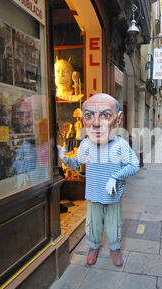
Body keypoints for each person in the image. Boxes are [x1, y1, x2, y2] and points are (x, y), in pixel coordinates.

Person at [57, 93, 140, 266]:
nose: (95, 123)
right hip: (94, 194)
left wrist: (115, 177)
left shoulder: (120, 145)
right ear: (84, 121)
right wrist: (64, 158)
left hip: (113, 195)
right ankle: (93, 247)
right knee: (93, 224)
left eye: (105, 115)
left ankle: (114, 249)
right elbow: (76, 164)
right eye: (89, 115)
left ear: (118, 120)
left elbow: (134, 165)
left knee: (113, 224)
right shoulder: (86, 144)